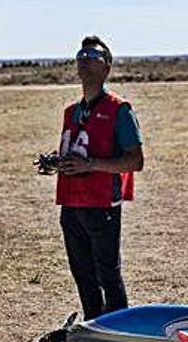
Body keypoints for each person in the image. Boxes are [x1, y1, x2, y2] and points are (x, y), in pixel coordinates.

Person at [56, 36, 144, 320]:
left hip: (102, 205)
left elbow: (135, 160)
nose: (84, 58)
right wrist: (57, 163)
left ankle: (121, 333)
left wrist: (90, 165)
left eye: (92, 54)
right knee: (82, 273)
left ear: (106, 67)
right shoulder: (72, 112)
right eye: (80, 54)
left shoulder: (119, 110)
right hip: (71, 204)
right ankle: (93, 328)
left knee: (108, 273)